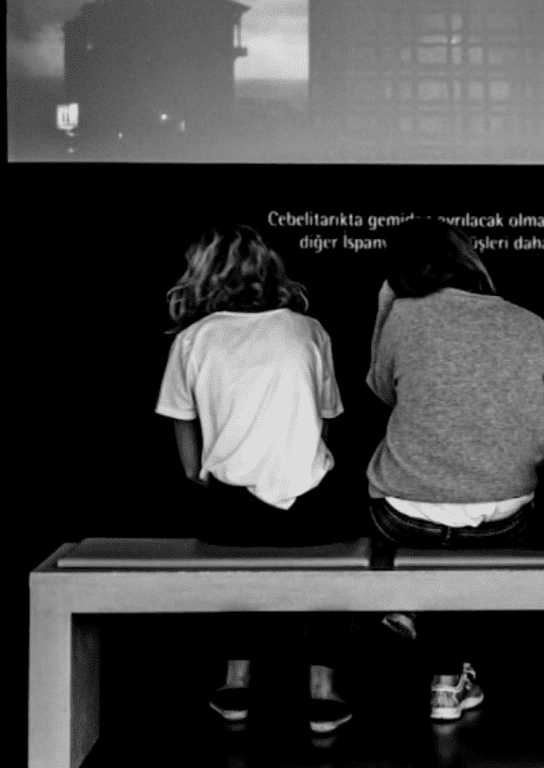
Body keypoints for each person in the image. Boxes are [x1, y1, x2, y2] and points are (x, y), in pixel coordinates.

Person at [155, 223, 358, 734]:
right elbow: (328, 414)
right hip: (316, 504)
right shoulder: (308, 329)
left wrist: (194, 472)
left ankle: (236, 682)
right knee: (328, 581)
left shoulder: (193, 339)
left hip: (229, 507)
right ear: (269, 271)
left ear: (203, 274)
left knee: (234, 577)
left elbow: (180, 417)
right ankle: (323, 692)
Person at [365, 217, 544, 721]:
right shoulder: (529, 321)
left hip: (406, 515)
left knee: (390, 504)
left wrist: (386, 307)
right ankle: (448, 678)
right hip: (509, 513)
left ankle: (407, 609)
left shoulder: (402, 317)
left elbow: (380, 389)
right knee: (471, 544)